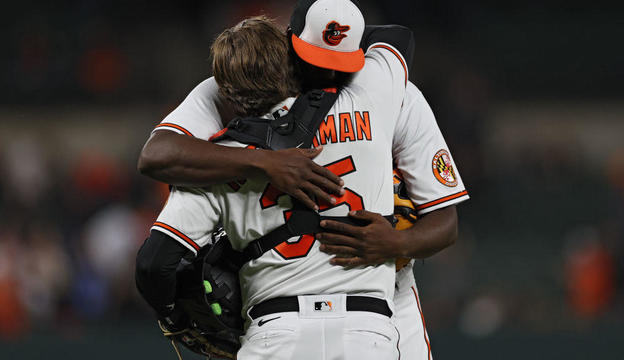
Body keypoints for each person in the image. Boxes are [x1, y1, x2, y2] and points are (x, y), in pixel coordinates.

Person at [137, 1, 469, 359]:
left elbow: (155, 263)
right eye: (316, 60)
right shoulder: (379, 87)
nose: (328, 74)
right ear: (288, 45)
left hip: (284, 325)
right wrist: (263, 162)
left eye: (339, 63)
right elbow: (155, 155)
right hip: (367, 322)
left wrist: (400, 243)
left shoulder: (213, 158)